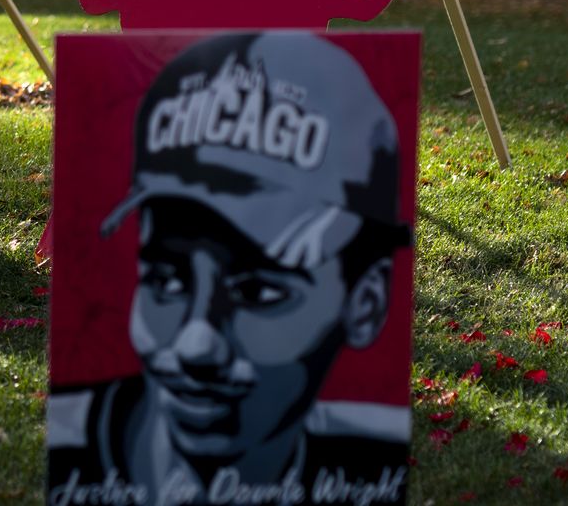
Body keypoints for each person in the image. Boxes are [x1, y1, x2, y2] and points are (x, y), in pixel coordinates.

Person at [48, 33, 410, 506]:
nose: (197, 344)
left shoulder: (369, 466)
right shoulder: (73, 454)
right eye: (167, 281)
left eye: (259, 292)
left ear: (366, 304)